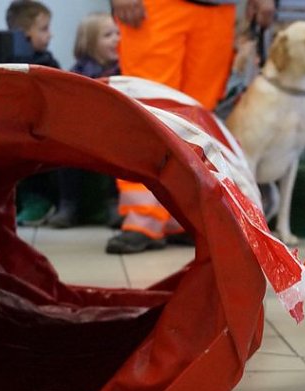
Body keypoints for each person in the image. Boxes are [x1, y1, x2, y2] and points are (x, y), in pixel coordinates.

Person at [105, 0, 275, 254]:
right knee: (148, 109)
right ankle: (144, 217)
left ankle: (183, 217)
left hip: (217, 10)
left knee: (196, 118)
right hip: (156, 7)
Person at [48, 12, 121, 229]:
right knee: (64, 150)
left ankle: (113, 204)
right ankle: (68, 205)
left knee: (118, 149)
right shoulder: (78, 72)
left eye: (118, 33)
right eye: (108, 35)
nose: (116, 39)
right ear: (89, 43)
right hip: (84, 132)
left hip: (114, 132)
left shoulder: (124, 70)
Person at [6, 0, 61, 226]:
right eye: (44, 29)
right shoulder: (5, 60)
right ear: (25, 34)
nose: (51, 35)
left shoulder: (47, 62)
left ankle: (40, 201)